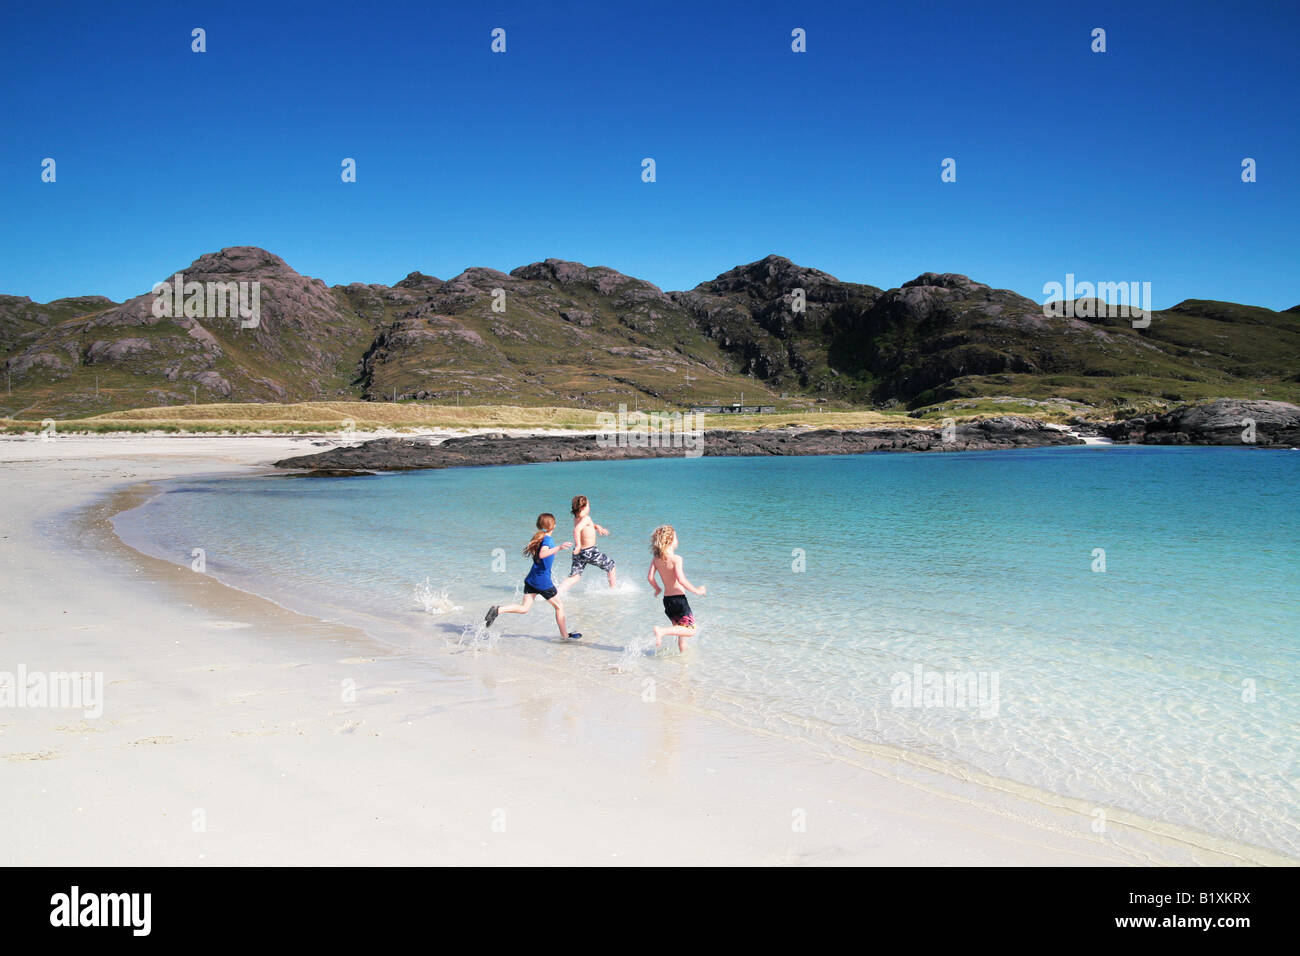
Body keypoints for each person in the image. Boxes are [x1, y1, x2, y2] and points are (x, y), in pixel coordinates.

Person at [485, 513, 579, 640]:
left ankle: (498, 610)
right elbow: (542, 554)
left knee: (524, 608)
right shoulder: (547, 539)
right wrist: (559, 547)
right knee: (559, 607)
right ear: (554, 525)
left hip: (531, 579)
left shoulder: (540, 538)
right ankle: (565, 637)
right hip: (542, 582)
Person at [646, 524, 706, 652]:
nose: (678, 541)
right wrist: (697, 590)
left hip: (667, 601)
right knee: (691, 630)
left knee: (680, 630)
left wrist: (657, 589)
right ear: (670, 541)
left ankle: (682, 662)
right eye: (676, 538)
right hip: (679, 600)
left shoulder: (656, 559)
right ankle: (661, 631)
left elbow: (650, 577)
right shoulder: (676, 559)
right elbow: (681, 580)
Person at [557, 494, 617, 593]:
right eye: (589, 505)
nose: (590, 507)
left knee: (575, 577)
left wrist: (597, 527)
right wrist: (578, 545)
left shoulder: (577, 518)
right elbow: (576, 530)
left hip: (579, 553)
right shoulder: (586, 518)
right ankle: (613, 590)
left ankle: (558, 591)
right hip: (590, 551)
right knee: (611, 565)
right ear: (584, 507)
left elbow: (587, 526)